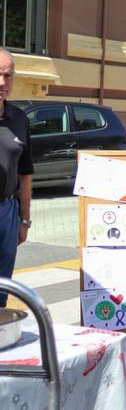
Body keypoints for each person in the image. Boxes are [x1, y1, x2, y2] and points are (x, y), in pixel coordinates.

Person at [0, 48, 32, 308]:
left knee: (3, 284)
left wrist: (24, 219)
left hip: (8, 212)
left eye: (8, 75)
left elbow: (26, 173)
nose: (3, 82)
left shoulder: (19, 119)